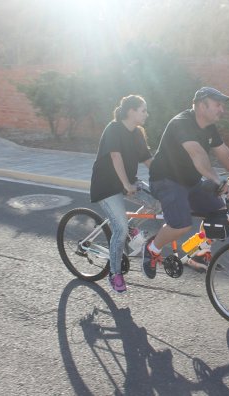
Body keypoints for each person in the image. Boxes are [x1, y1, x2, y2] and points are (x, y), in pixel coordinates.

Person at [142, 87, 229, 279]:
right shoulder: (182, 123)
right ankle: (152, 248)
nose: (222, 109)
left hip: (190, 182)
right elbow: (198, 155)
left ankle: (195, 251)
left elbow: (223, 152)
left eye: (222, 105)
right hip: (165, 180)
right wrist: (217, 180)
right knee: (181, 224)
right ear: (201, 106)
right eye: (217, 105)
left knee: (221, 215)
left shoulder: (209, 127)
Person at [90, 94, 157, 293]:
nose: (147, 114)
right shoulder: (113, 129)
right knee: (118, 229)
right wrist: (126, 184)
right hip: (107, 186)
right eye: (143, 110)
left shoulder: (137, 133)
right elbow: (115, 156)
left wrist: (168, 178)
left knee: (157, 203)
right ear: (131, 111)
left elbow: (147, 160)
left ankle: (131, 228)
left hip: (128, 183)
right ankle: (115, 273)